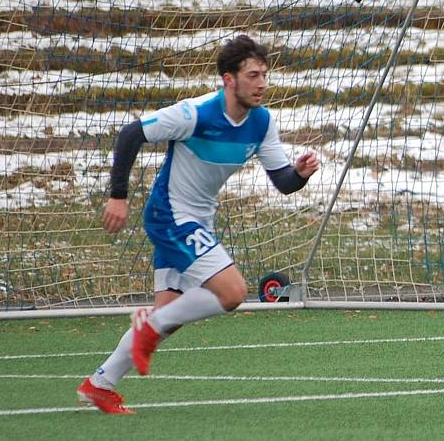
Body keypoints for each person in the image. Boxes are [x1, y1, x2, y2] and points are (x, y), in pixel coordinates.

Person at [76, 35, 320, 414]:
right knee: (233, 293)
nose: (261, 83)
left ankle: (100, 383)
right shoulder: (195, 113)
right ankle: (147, 327)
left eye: (264, 75)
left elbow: (283, 182)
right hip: (171, 216)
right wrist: (118, 196)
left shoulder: (262, 122)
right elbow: (131, 135)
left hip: (197, 220)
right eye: (252, 75)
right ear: (228, 79)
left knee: (169, 317)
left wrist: (300, 174)